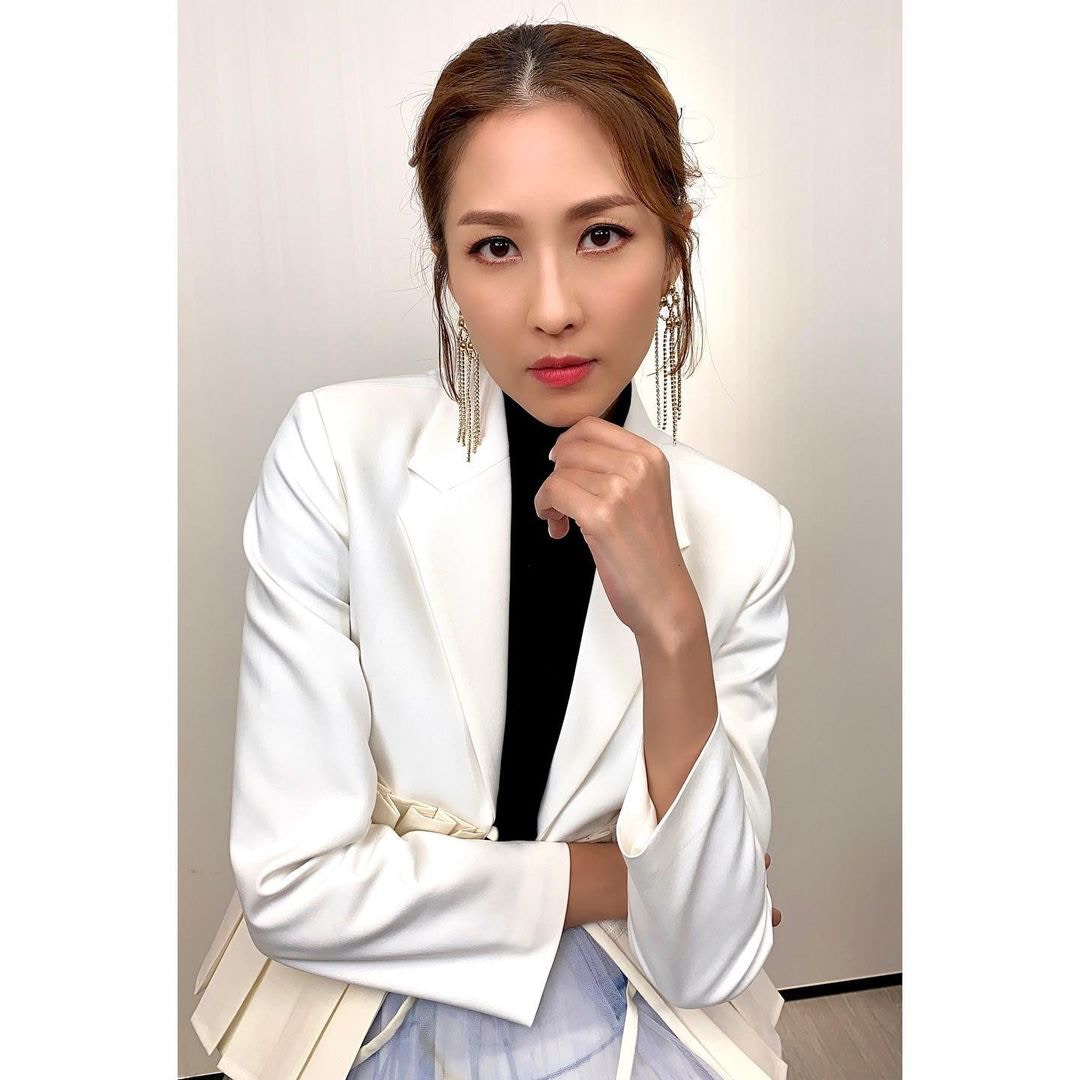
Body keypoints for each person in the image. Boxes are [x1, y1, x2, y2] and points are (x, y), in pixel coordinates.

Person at [191, 19, 794, 1080]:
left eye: (602, 234)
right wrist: (618, 878)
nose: (552, 309)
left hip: (631, 1010)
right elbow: (291, 888)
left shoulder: (744, 533)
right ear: (449, 268)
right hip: (366, 1017)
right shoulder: (335, 456)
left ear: (674, 247)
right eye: (496, 247)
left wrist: (671, 624)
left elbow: (704, 954)